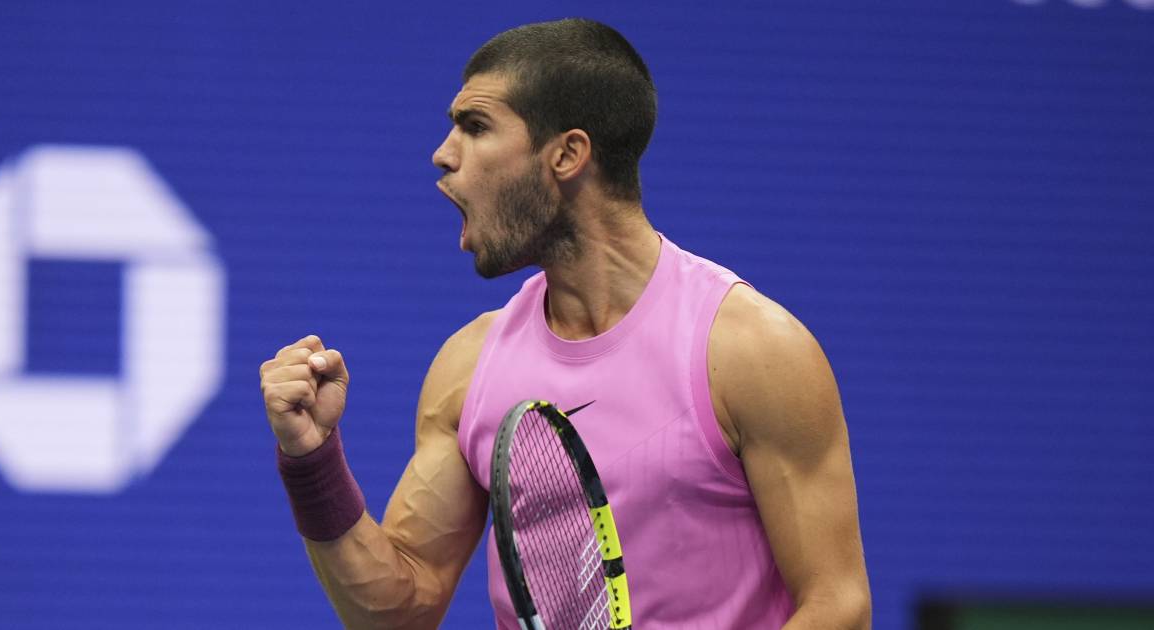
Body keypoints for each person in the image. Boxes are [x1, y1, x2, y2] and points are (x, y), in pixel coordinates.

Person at [260, 18, 871, 629]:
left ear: (568, 154)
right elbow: (394, 612)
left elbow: (837, 606)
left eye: (475, 127)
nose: (443, 156)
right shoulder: (469, 366)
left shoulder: (749, 349)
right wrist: (313, 461)